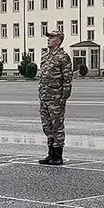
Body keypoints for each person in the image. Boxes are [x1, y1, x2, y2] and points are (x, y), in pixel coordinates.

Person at [37, 29, 73, 165]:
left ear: (58, 41)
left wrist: (63, 97)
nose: (48, 39)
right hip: (45, 97)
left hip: (56, 98)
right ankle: (50, 152)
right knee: (47, 126)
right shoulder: (46, 56)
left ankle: (58, 154)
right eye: (48, 37)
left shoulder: (63, 57)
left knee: (57, 125)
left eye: (51, 37)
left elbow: (67, 79)